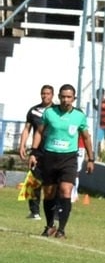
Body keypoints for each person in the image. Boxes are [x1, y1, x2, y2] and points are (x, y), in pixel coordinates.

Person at [28, 84, 95, 239]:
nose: (66, 100)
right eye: (63, 96)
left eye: (69, 97)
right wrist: (34, 152)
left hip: (69, 158)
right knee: (49, 193)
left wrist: (91, 158)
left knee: (65, 191)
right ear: (59, 97)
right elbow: (39, 132)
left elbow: (86, 137)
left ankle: (62, 229)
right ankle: (50, 225)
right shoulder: (49, 113)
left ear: (74, 98)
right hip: (49, 157)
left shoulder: (79, 116)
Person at [18, 84, 55, 220]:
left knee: (52, 183)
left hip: (53, 151)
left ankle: (54, 213)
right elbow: (27, 129)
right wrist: (22, 145)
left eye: (48, 94)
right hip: (37, 151)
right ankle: (34, 212)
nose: (45, 96)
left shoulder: (56, 111)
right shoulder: (34, 111)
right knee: (34, 180)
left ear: (52, 95)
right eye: (43, 93)